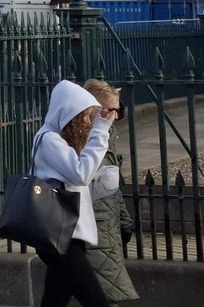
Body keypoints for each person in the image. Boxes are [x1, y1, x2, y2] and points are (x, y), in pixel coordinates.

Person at [32, 78, 113, 307]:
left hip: (67, 233)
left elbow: (75, 183)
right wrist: (100, 132)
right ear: (69, 114)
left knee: (55, 299)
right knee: (95, 300)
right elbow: (80, 174)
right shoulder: (49, 139)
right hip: (61, 234)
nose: (88, 122)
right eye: (85, 116)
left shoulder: (59, 141)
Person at [82, 78, 138, 304]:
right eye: (107, 110)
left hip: (107, 223)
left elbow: (111, 184)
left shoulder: (105, 134)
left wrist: (124, 219)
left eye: (117, 110)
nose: (113, 116)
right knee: (106, 293)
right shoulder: (84, 138)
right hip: (94, 225)